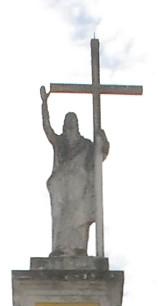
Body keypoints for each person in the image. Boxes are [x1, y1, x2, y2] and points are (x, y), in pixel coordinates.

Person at [41, 87, 108, 256]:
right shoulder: (60, 143)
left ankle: (79, 249)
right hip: (62, 188)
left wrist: (102, 140)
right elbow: (48, 129)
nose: (69, 126)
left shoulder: (86, 145)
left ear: (77, 126)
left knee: (79, 218)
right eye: (67, 123)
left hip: (80, 190)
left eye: (72, 123)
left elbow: (99, 156)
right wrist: (44, 105)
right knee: (61, 219)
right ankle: (60, 249)